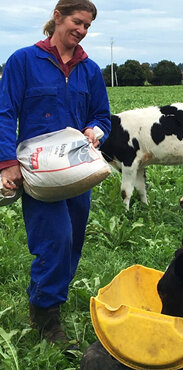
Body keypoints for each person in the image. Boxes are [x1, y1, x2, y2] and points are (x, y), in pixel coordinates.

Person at [0, 0, 111, 346]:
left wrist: (95, 130)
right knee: (56, 239)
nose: (81, 30)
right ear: (57, 17)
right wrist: (8, 163)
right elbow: (4, 113)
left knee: (74, 239)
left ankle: (42, 297)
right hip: (39, 172)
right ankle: (47, 317)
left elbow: (102, 116)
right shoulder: (23, 61)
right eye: (77, 22)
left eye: (88, 26)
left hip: (76, 170)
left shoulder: (89, 69)